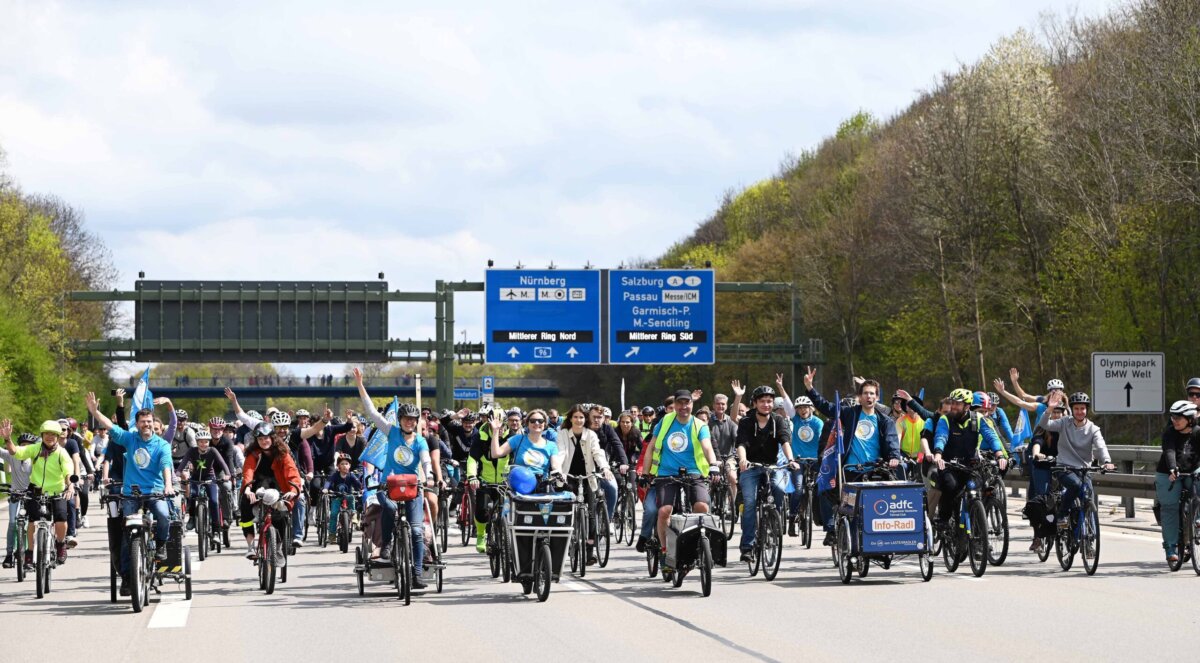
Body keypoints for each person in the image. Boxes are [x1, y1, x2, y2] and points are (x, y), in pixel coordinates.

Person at [86, 392, 175, 596]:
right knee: (127, 537)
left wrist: (168, 485)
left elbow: (166, 465)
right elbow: (110, 426)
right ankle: (127, 577)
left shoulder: (161, 444)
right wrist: (95, 412)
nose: (146, 424)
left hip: (155, 492)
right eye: (143, 421)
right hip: (130, 494)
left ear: (154, 423)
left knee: (163, 515)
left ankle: (160, 544)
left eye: (149, 421)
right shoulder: (130, 438)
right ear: (137, 424)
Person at [802, 366, 900, 545]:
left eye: (872, 394)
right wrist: (810, 388)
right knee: (850, 509)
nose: (869, 397)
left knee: (880, 509)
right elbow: (827, 407)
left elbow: (892, 441)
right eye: (865, 393)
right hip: (850, 471)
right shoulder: (850, 414)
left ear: (877, 397)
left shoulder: (884, 420)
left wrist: (894, 457)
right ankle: (848, 543)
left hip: (877, 471)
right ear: (860, 397)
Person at [354, 367, 430, 589]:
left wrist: (431, 475)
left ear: (416, 422)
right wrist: (360, 385)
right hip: (389, 486)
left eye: (412, 420)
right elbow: (372, 413)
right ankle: (386, 544)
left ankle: (416, 574)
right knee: (389, 508)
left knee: (416, 530)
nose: (409, 422)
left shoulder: (420, 441)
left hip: (413, 487)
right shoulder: (391, 432)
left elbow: (425, 460)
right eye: (405, 419)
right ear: (400, 420)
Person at [643, 390, 719, 568]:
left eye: (688, 403)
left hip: (694, 472)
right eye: (680, 403)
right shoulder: (665, 421)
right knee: (664, 511)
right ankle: (664, 551)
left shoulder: (700, 425)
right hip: (666, 473)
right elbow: (651, 447)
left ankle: (698, 544)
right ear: (675, 404)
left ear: (692, 405)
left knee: (702, 507)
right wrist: (645, 474)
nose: (684, 407)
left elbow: (707, 447)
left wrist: (714, 465)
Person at [735, 385, 797, 564]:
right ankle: (747, 546)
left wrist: (791, 460)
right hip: (751, 466)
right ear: (755, 403)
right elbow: (741, 443)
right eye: (762, 401)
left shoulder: (779, 420)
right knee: (749, 503)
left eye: (769, 401)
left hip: (772, 465)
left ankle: (772, 522)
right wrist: (743, 460)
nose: (766, 404)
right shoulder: (747, 421)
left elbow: (785, 442)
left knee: (778, 488)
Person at [929, 389, 1006, 529]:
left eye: (957, 404)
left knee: (978, 492)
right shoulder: (945, 419)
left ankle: (978, 535)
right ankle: (945, 519)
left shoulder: (978, 419)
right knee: (951, 487)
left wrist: (999, 454)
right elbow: (941, 437)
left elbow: (991, 436)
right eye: (952, 403)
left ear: (967, 406)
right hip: (949, 464)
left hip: (971, 465)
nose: (953, 406)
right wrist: (938, 454)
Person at [2, 421, 75, 568]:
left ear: (57, 436)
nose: (50, 437)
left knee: (61, 519)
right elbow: (15, 452)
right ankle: (29, 552)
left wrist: (70, 486)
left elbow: (68, 472)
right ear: (42, 435)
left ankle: (60, 545)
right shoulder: (35, 448)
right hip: (36, 490)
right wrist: (7, 439)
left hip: (57, 492)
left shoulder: (62, 453)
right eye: (47, 434)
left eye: (53, 434)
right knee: (32, 521)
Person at [1036, 392, 1115, 526]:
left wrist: (1106, 461)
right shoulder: (1064, 423)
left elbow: (1101, 446)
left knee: (1088, 498)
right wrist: (1049, 409)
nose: (1079, 412)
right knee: (1076, 485)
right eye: (1076, 409)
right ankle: (1062, 513)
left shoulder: (1093, 429)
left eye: (1082, 408)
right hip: (1064, 468)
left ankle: (1089, 536)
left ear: (1086, 410)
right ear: (1072, 410)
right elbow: (1045, 425)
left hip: (1084, 469)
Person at [239, 421, 302, 563]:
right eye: (260, 439)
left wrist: (293, 489)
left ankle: (278, 547)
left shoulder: (282, 452)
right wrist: (248, 488)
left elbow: (292, 471)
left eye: (266, 438)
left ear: (273, 438)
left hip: (278, 486)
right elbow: (248, 471)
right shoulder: (253, 454)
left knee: (281, 514)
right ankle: (250, 546)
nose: (263, 441)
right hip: (257, 487)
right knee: (244, 505)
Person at [559, 405, 615, 565]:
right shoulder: (563, 434)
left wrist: (604, 467)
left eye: (582, 417)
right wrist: (559, 470)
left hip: (588, 476)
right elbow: (561, 451)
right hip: (568, 476)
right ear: (570, 419)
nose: (578, 420)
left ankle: (589, 551)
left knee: (590, 512)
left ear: (586, 419)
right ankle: (567, 543)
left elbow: (597, 452)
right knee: (567, 510)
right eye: (575, 417)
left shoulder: (590, 435)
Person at [1155, 401, 1200, 563]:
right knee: (1170, 508)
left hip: (1191, 472)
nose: (1174, 420)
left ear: (1189, 419)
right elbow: (1169, 451)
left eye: (1178, 417)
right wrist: (1173, 468)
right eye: (1172, 416)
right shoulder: (1169, 433)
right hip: (1168, 473)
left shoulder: (1197, 433)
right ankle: (1171, 548)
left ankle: (1197, 519)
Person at [178, 427, 231, 534]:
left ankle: (216, 530)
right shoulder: (192, 451)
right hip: (195, 478)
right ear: (197, 442)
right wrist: (178, 474)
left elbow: (222, 463)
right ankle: (192, 517)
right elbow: (182, 464)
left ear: (209, 442)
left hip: (209, 478)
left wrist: (227, 474)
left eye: (206, 442)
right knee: (193, 495)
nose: (203, 444)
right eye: (201, 442)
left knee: (214, 501)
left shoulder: (213, 450)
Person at [0, 423, 34, 568]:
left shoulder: (35, 458)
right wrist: (6, 437)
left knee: (30, 525)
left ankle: (28, 555)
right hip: (15, 493)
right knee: (13, 523)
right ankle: (9, 554)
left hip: (31, 495)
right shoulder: (11, 455)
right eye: (22, 445)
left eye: (28, 445)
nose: (24, 448)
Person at [587, 403, 627, 521]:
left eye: (599, 417)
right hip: (585, 468)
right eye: (594, 417)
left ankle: (607, 520)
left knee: (613, 488)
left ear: (604, 418)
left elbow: (617, 444)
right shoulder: (583, 428)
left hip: (603, 466)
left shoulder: (607, 428)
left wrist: (624, 462)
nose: (596, 420)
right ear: (588, 417)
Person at [323, 454, 363, 538]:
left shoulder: (351, 475)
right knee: (333, 514)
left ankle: (353, 514)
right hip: (336, 497)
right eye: (342, 464)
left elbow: (358, 484)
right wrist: (326, 488)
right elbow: (329, 482)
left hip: (348, 496)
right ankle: (332, 534)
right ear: (338, 466)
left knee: (352, 497)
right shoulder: (335, 475)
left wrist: (361, 489)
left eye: (346, 464)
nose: (344, 466)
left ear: (350, 466)